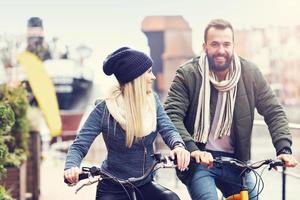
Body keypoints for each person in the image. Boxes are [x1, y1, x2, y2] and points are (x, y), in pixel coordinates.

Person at [164, 19, 298, 200]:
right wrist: (191, 149)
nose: (221, 50)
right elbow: (172, 115)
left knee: (252, 197)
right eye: (214, 44)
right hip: (200, 162)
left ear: (234, 46)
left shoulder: (250, 73)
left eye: (226, 44)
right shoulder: (188, 74)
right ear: (205, 47)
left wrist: (284, 150)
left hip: (237, 163)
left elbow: (274, 111)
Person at [64, 47, 190, 200]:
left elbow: (168, 128)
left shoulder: (152, 101)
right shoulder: (104, 109)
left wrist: (178, 146)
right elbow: (79, 145)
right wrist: (71, 167)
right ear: (135, 77)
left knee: (171, 198)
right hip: (112, 187)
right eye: (149, 72)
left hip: (145, 183)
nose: (153, 77)